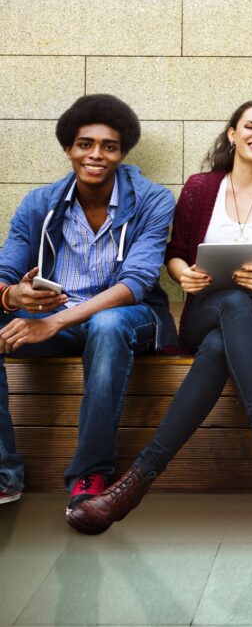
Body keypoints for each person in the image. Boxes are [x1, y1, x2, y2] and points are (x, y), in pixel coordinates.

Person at [66, 100, 252, 534]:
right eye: (250, 126)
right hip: (206, 308)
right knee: (228, 308)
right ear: (233, 134)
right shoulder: (202, 187)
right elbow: (174, 252)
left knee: (227, 334)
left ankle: (134, 483)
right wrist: (186, 276)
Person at [0, 94, 176, 514]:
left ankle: (90, 472)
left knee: (108, 324)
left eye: (108, 146)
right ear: (68, 149)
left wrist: (54, 323)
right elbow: (6, 270)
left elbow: (135, 283)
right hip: (57, 317)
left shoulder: (153, 200)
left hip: (132, 317)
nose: (96, 155)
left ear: (122, 153)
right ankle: (5, 473)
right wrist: (13, 296)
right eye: (85, 144)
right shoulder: (39, 203)